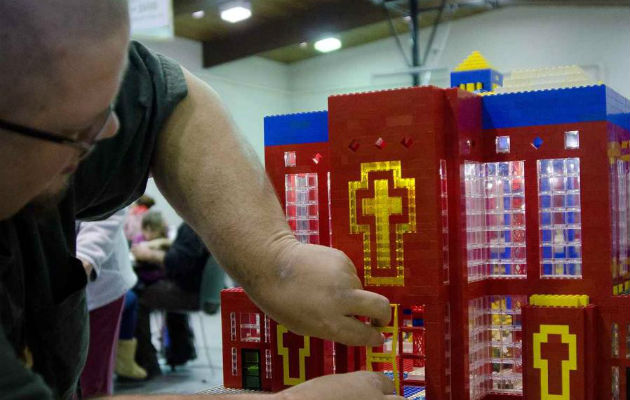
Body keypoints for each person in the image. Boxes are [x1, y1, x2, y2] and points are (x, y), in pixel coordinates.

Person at [0, 2, 401, 400]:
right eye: (79, 131)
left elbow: (169, 101)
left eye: (107, 108)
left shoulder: (51, 92)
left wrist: (277, 259)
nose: (110, 130)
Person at [76, 208, 145, 396]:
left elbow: (108, 209)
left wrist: (86, 258)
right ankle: (126, 362)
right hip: (44, 283)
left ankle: (125, 362)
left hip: (98, 285)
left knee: (91, 383)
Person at [131, 222, 211, 375]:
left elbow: (179, 262)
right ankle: (181, 352)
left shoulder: (191, 227)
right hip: (195, 289)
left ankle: (146, 363)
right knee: (156, 290)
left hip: (189, 292)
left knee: (136, 299)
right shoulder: (199, 225)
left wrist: (149, 254)